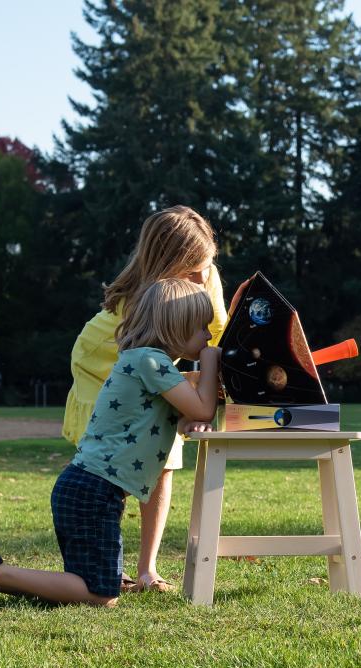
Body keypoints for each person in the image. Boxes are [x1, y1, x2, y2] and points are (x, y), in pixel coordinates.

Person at [0, 279, 221, 607]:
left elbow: (183, 415)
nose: (208, 336)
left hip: (89, 489)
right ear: (176, 328)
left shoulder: (147, 362)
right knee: (102, 594)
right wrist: (211, 360)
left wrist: (190, 419)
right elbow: (202, 406)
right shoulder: (151, 362)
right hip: (92, 492)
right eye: (201, 327)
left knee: (92, 586)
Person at [62, 206, 228, 592]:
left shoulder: (207, 277)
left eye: (207, 265)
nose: (202, 276)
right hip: (105, 356)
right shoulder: (145, 293)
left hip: (157, 367)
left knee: (164, 460)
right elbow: (160, 357)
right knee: (110, 462)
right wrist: (192, 399)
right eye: (192, 269)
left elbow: (214, 334)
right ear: (168, 260)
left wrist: (198, 399)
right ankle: (99, 561)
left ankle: (147, 569)